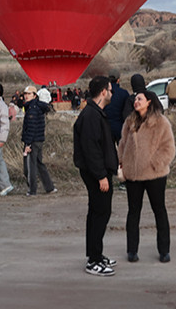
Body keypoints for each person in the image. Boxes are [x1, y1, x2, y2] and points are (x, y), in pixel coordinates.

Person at [119, 90, 176, 263]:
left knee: (159, 211)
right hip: (133, 176)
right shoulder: (130, 121)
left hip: (155, 175)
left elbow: (169, 148)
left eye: (139, 99)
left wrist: (155, 164)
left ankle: (164, 250)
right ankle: (132, 250)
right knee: (133, 213)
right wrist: (122, 162)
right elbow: (122, 144)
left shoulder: (161, 122)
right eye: (135, 99)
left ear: (149, 102)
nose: (136, 102)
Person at [73, 76, 119, 276]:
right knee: (100, 214)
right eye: (110, 90)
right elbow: (91, 149)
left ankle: (96, 254)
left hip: (100, 171)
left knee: (97, 213)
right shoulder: (91, 115)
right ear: (103, 92)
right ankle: (94, 261)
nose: (112, 93)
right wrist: (101, 176)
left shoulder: (95, 113)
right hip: (96, 174)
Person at [20, 85, 56, 196]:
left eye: (29, 94)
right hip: (39, 139)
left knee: (30, 166)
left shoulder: (32, 109)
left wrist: (28, 144)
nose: (26, 96)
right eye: (25, 94)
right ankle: (49, 187)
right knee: (39, 164)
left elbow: (31, 127)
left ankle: (32, 190)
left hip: (33, 140)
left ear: (35, 95)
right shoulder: (37, 107)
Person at [105, 74, 130, 146]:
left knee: (109, 151)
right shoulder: (124, 93)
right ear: (118, 80)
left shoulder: (104, 93)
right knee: (122, 150)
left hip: (107, 127)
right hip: (120, 126)